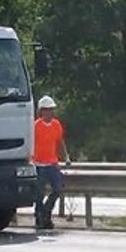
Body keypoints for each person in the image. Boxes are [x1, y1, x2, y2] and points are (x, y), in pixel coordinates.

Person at [32, 95, 70, 230]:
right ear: (41, 111)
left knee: (57, 189)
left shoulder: (56, 124)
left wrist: (66, 156)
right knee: (39, 194)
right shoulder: (35, 126)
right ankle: (39, 217)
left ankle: (46, 212)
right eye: (46, 110)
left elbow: (60, 141)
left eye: (51, 109)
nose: (49, 112)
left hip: (52, 163)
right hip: (39, 164)